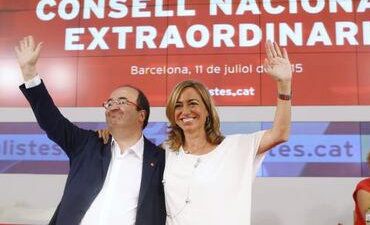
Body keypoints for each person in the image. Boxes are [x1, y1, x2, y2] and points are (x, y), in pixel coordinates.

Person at [15, 36, 166, 225]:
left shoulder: (161, 159)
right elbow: (51, 120)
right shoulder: (86, 145)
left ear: (141, 115)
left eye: (121, 101)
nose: (113, 106)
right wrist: (29, 72)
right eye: (109, 103)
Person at [162, 40, 292, 225]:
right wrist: (107, 137)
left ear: (207, 110)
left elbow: (280, 133)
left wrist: (284, 84)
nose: (185, 112)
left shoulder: (237, 147)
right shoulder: (166, 153)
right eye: (178, 106)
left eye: (193, 104)